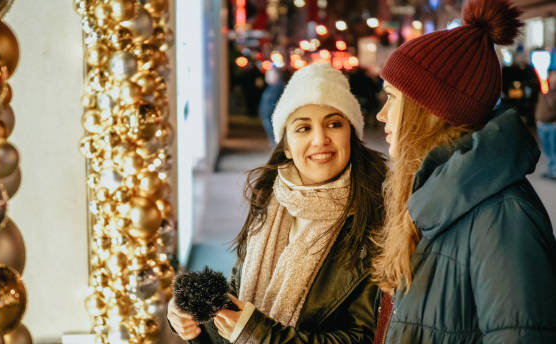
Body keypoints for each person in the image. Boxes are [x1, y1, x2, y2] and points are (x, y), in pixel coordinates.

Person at [372, 0, 556, 343]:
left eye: (393, 99)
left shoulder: (503, 217)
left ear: (426, 110)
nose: (382, 115)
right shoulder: (429, 189)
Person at [169, 63, 387, 343]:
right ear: (286, 145)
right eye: (303, 128)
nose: (320, 139)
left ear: (352, 134)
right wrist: (191, 319)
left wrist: (257, 334)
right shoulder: (270, 201)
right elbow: (237, 308)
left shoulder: (377, 214)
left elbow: (363, 337)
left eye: (334, 124)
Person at [535, 67, 556, 180]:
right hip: (542, 124)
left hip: (552, 126)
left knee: (554, 149)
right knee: (547, 149)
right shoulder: (544, 90)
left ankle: (554, 171)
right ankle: (550, 170)